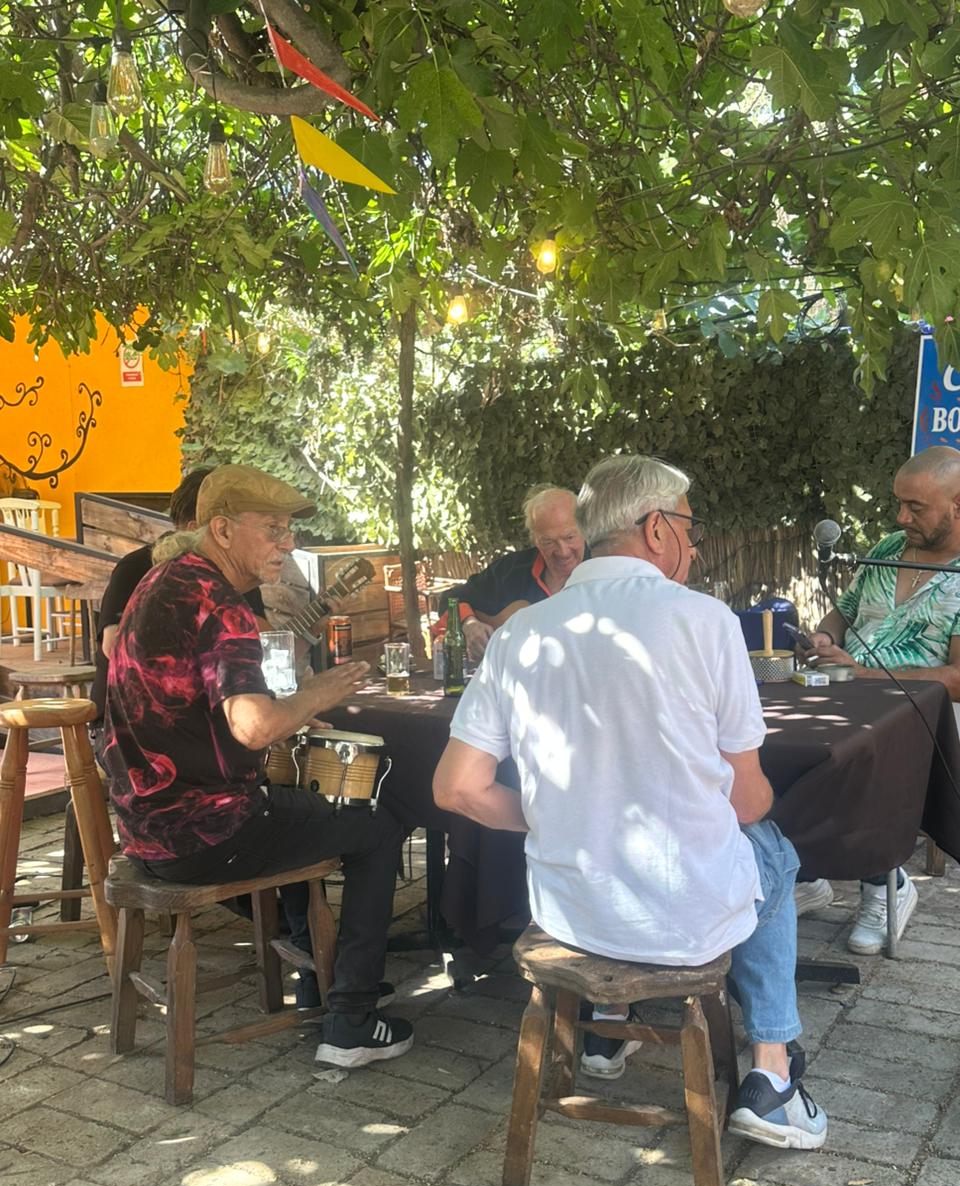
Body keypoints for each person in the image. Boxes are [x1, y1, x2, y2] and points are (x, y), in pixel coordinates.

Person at [433, 454, 827, 1150]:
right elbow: (746, 799)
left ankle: (607, 1029)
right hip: (683, 921)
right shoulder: (705, 621)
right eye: (688, 527)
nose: (693, 545)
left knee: (719, 844)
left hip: (568, 915)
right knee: (771, 847)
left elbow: (456, 787)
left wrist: (560, 813)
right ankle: (771, 1075)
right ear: (655, 528)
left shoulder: (520, 633)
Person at [103, 463, 413, 1069]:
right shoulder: (219, 604)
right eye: (272, 529)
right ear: (222, 530)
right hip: (202, 834)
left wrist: (291, 714)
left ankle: (319, 977)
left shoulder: (164, 580)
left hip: (144, 828)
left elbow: (198, 709)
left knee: (299, 810)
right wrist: (314, 696)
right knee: (380, 827)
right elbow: (252, 727)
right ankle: (351, 1021)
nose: (287, 543)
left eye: (289, 530)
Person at [796, 445, 960, 953]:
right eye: (899, 503)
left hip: (921, 712)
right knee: (787, 748)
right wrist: (824, 637)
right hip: (848, 693)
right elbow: (843, 613)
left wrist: (865, 672)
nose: (900, 517)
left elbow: (958, 678)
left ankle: (887, 884)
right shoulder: (889, 546)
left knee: (865, 759)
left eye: (916, 507)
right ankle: (806, 875)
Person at [89, 469, 263, 746]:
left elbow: (265, 642)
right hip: (125, 730)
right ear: (200, 528)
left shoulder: (238, 574)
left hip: (204, 723)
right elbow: (113, 645)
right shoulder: (136, 567)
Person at [441, 485, 587, 662]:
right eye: (548, 542)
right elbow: (450, 599)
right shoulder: (511, 570)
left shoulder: (603, 573)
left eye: (570, 537)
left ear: (585, 529)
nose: (563, 551)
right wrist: (469, 624)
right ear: (535, 540)